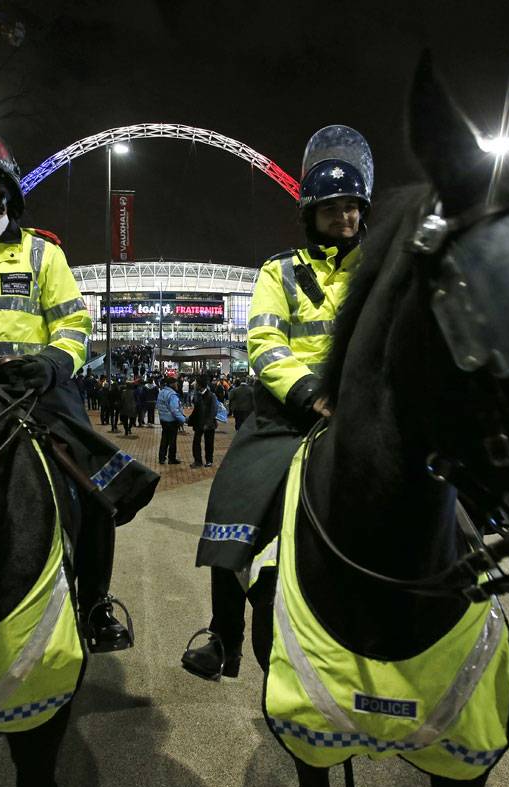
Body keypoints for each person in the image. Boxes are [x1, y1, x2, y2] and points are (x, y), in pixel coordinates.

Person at [0, 114, 158, 652]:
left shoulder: (43, 252)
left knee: (95, 487)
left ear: (4, 184)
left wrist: (51, 364)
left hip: (32, 394)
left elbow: (74, 323)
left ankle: (96, 605)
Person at [183, 125, 372, 680]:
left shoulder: (383, 264)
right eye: (331, 209)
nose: (343, 218)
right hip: (291, 413)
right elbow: (265, 342)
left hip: (365, 409)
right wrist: (312, 392)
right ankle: (224, 636)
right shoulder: (279, 270)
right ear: (311, 215)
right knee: (232, 498)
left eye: (352, 208)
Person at [190, 375, 219, 468]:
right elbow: (196, 409)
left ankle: (209, 460)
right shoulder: (197, 394)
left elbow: (213, 411)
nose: (194, 385)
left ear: (199, 384)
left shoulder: (211, 396)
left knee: (209, 443)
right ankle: (198, 461)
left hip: (208, 424)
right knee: (196, 442)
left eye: (196, 383)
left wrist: (208, 423)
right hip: (198, 423)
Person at [157, 376, 186, 465]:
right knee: (172, 440)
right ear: (172, 384)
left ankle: (162, 458)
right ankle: (171, 459)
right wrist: (183, 419)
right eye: (176, 383)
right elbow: (175, 410)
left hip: (163, 420)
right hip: (172, 421)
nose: (177, 385)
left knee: (164, 439)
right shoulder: (172, 395)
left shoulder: (161, 392)